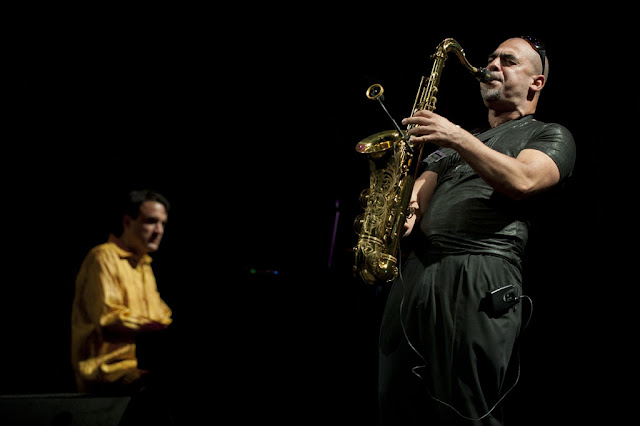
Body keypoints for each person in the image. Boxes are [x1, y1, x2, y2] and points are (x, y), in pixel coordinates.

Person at [377, 37, 576, 425]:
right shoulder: (448, 148)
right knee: (395, 407)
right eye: (491, 59)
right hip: (414, 276)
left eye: (508, 60)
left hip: (480, 274)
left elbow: (524, 180)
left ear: (536, 82)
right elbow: (416, 200)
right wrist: (401, 211)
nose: (492, 65)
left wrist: (454, 135)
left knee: (466, 411)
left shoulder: (549, 134)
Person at [71, 189, 173, 395]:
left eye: (163, 224)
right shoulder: (103, 257)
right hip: (109, 371)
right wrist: (157, 331)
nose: (159, 230)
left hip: (141, 368)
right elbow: (108, 320)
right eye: (151, 221)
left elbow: (162, 317)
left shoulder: (144, 266)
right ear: (127, 222)